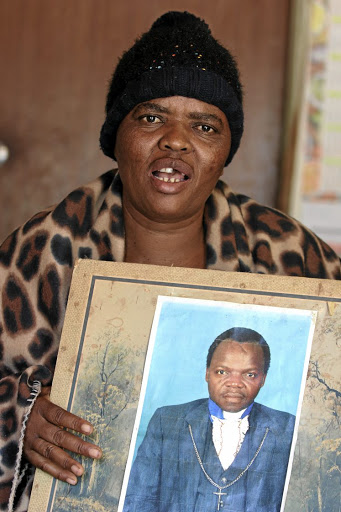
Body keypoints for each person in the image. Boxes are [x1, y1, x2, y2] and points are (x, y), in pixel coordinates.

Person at [1, 10, 339, 511]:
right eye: (151, 117)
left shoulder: (290, 255)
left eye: (204, 125)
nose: (176, 140)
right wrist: (20, 418)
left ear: (226, 151)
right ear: (116, 136)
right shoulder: (43, 248)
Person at [123, 327, 295, 512]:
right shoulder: (167, 421)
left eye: (249, 374)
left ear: (263, 379)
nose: (234, 382)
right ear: (207, 373)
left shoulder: (287, 428)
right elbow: (138, 500)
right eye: (222, 372)